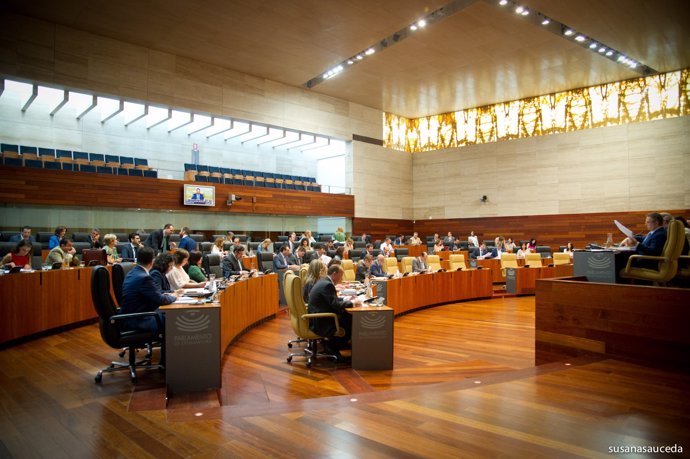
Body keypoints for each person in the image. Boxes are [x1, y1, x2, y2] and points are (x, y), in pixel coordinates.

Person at [119, 247, 177, 334]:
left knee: (169, 315)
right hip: (137, 319)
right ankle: (169, 347)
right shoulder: (145, 278)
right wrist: (175, 297)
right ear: (152, 261)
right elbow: (161, 299)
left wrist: (169, 294)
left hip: (129, 316)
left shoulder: (133, 272)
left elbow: (155, 294)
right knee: (175, 319)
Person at [308, 264, 360, 359]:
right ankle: (333, 346)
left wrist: (345, 300)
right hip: (322, 321)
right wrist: (353, 303)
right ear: (334, 274)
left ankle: (338, 344)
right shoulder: (327, 285)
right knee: (350, 320)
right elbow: (335, 305)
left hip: (318, 316)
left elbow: (332, 300)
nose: (341, 278)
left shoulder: (324, 281)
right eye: (341, 275)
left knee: (346, 316)